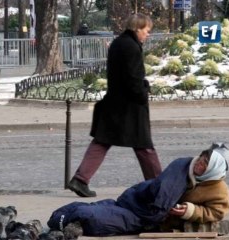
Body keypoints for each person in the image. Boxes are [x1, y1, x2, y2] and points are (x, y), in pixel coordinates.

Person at [67, 13, 161, 198]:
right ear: (137, 28)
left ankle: (80, 178)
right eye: (146, 30)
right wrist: (144, 91)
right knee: (144, 146)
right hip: (129, 106)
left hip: (114, 103)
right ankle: (159, 185)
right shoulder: (131, 47)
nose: (147, 34)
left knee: (102, 141)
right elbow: (133, 79)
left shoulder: (119, 42)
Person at [48, 143, 229, 236]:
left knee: (91, 215)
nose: (200, 164)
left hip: (146, 216)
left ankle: (65, 222)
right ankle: (61, 218)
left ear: (213, 169)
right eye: (201, 158)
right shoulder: (183, 166)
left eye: (206, 164)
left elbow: (216, 212)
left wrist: (189, 211)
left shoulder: (218, 189)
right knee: (87, 209)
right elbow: (160, 191)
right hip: (136, 202)